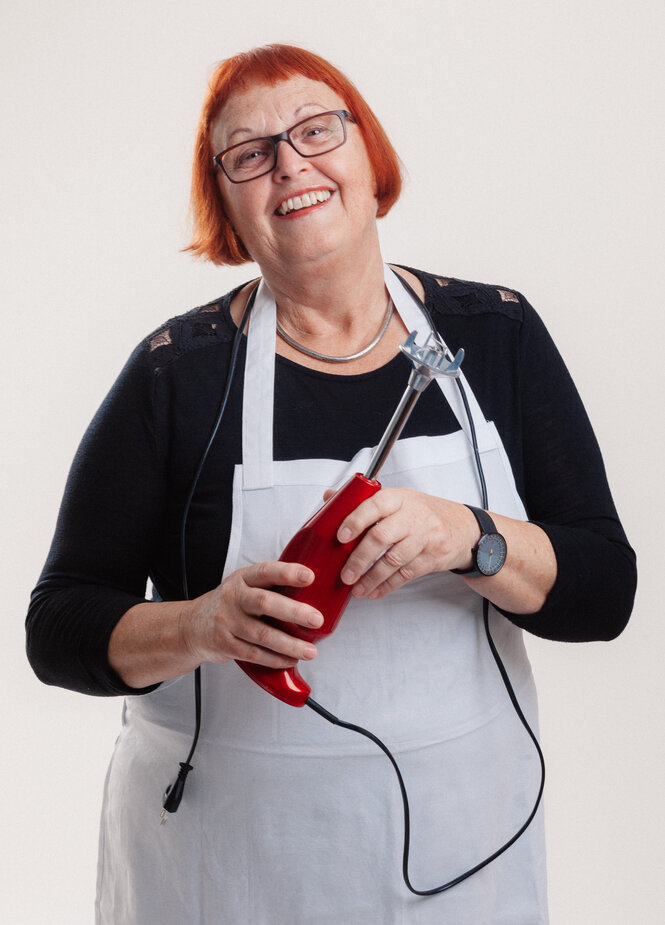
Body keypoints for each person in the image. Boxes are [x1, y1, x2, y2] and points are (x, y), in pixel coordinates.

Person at [26, 43, 636, 925]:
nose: (292, 165)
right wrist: (201, 624)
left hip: (462, 853)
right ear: (226, 204)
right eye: (251, 153)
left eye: (316, 130)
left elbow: (603, 591)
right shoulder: (178, 375)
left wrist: (473, 536)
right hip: (227, 868)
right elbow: (59, 626)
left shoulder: (493, 334)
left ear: (367, 152)